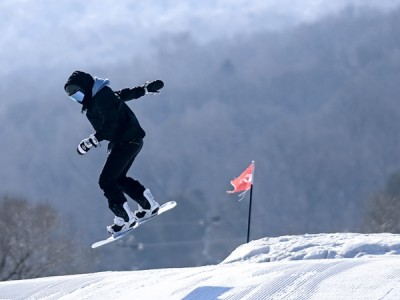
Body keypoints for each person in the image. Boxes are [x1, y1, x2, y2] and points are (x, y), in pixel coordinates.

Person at [64, 71, 164, 236]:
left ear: (86, 88)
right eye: (74, 98)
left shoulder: (100, 97)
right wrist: (144, 89)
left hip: (126, 141)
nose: (78, 99)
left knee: (106, 180)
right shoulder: (100, 97)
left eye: (79, 94)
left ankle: (125, 218)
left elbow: (110, 125)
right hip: (130, 140)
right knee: (118, 179)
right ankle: (148, 205)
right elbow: (122, 95)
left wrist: (91, 141)